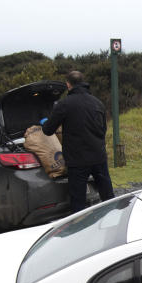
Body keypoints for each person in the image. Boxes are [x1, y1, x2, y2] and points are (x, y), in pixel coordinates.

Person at [41, 70, 115, 213]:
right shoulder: (97, 103)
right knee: (108, 195)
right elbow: (103, 129)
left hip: (77, 160)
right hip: (98, 156)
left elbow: (48, 130)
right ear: (83, 82)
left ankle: (79, 229)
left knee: (78, 201)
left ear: (68, 84)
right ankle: (114, 220)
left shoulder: (64, 104)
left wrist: (44, 122)